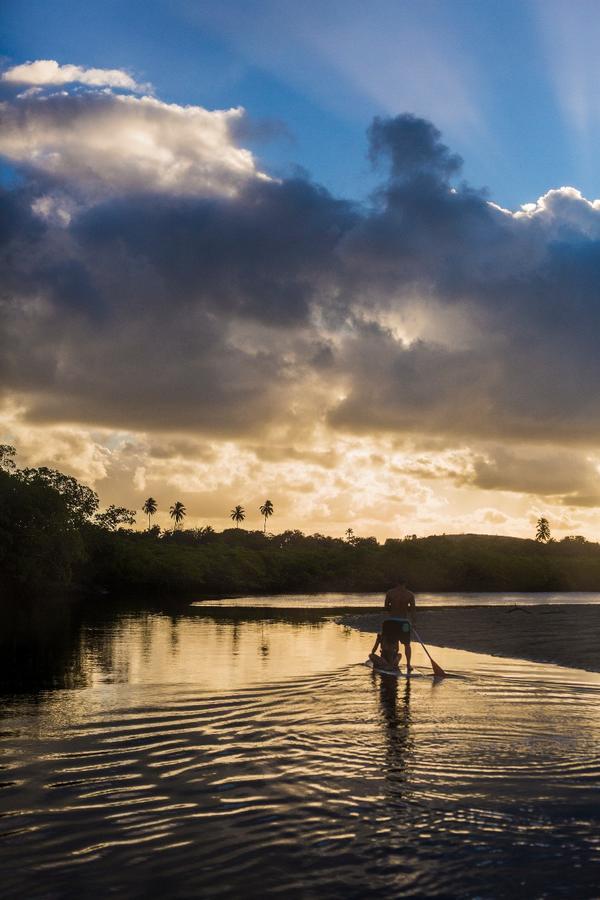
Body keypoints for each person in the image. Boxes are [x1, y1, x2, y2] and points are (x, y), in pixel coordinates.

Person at [384, 580, 415, 672]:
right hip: (404, 622)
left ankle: (390, 665)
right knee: (407, 644)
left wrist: (392, 612)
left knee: (392, 644)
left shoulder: (390, 593)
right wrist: (413, 622)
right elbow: (413, 610)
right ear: (405, 584)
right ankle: (408, 665)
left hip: (393, 621)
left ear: (396, 583)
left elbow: (386, 607)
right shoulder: (410, 594)